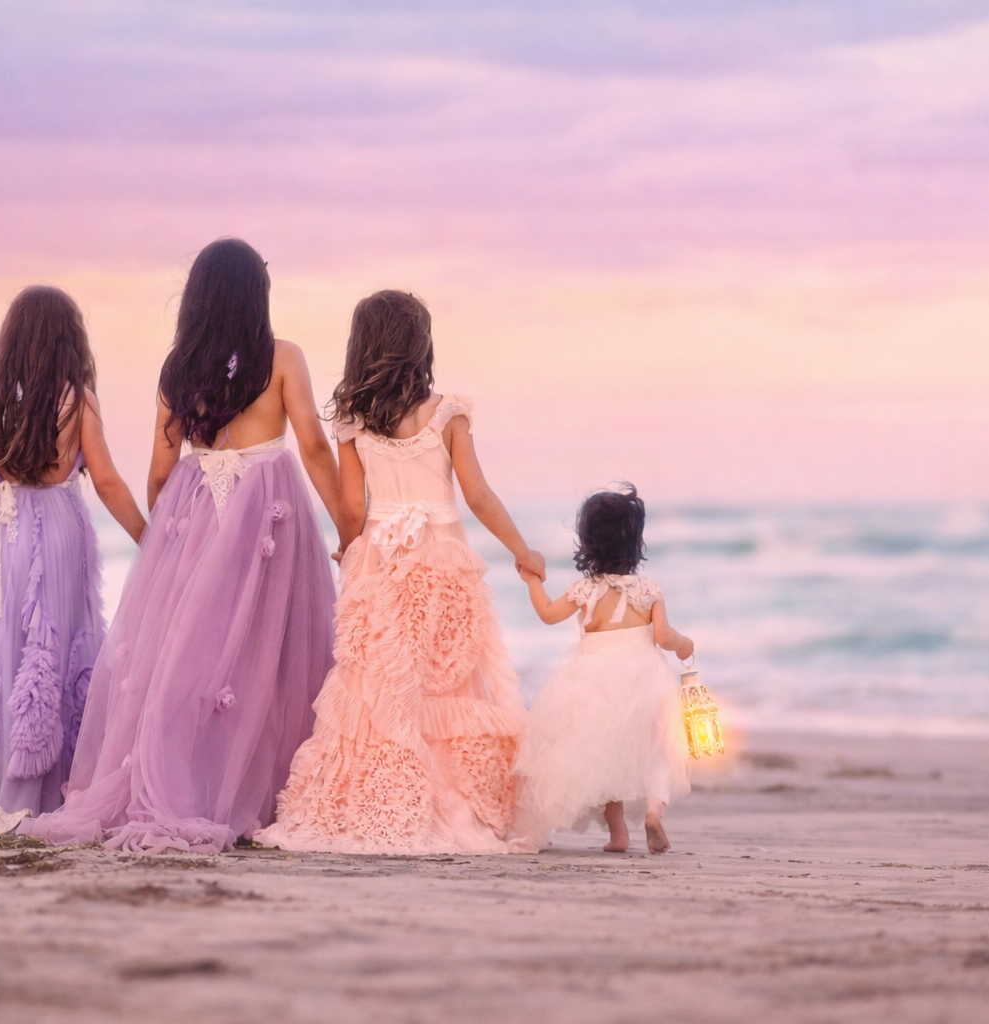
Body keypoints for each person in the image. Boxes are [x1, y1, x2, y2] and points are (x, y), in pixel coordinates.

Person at [21, 238, 343, 853]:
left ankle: (192, 779)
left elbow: (161, 468)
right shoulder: (282, 358)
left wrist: (161, 539)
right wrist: (349, 527)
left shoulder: (178, 368)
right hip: (268, 512)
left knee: (186, 654)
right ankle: (252, 790)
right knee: (266, 657)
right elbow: (314, 447)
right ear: (257, 294)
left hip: (193, 512)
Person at [257, 290, 542, 854]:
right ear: (421, 345)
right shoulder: (447, 415)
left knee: (378, 687)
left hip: (381, 562)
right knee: (447, 681)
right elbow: (478, 496)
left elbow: (355, 507)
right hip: (442, 563)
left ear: (363, 347)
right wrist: (520, 549)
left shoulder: (354, 421)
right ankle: (446, 799)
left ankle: (381, 797)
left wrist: (348, 548)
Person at [0, 285, 146, 841]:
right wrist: (151, 538)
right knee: (55, 655)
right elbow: (108, 480)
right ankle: (42, 800)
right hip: (60, 537)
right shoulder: (77, 399)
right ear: (69, 340)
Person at [511, 484, 695, 854]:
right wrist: (684, 645)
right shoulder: (648, 589)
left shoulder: (585, 590)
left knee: (605, 753)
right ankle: (653, 813)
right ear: (636, 541)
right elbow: (662, 636)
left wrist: (531, 580)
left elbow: (547, 615)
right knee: (659, 748)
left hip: (593, 678)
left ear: (587, 542)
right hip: (646, 678)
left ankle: (618, 835)